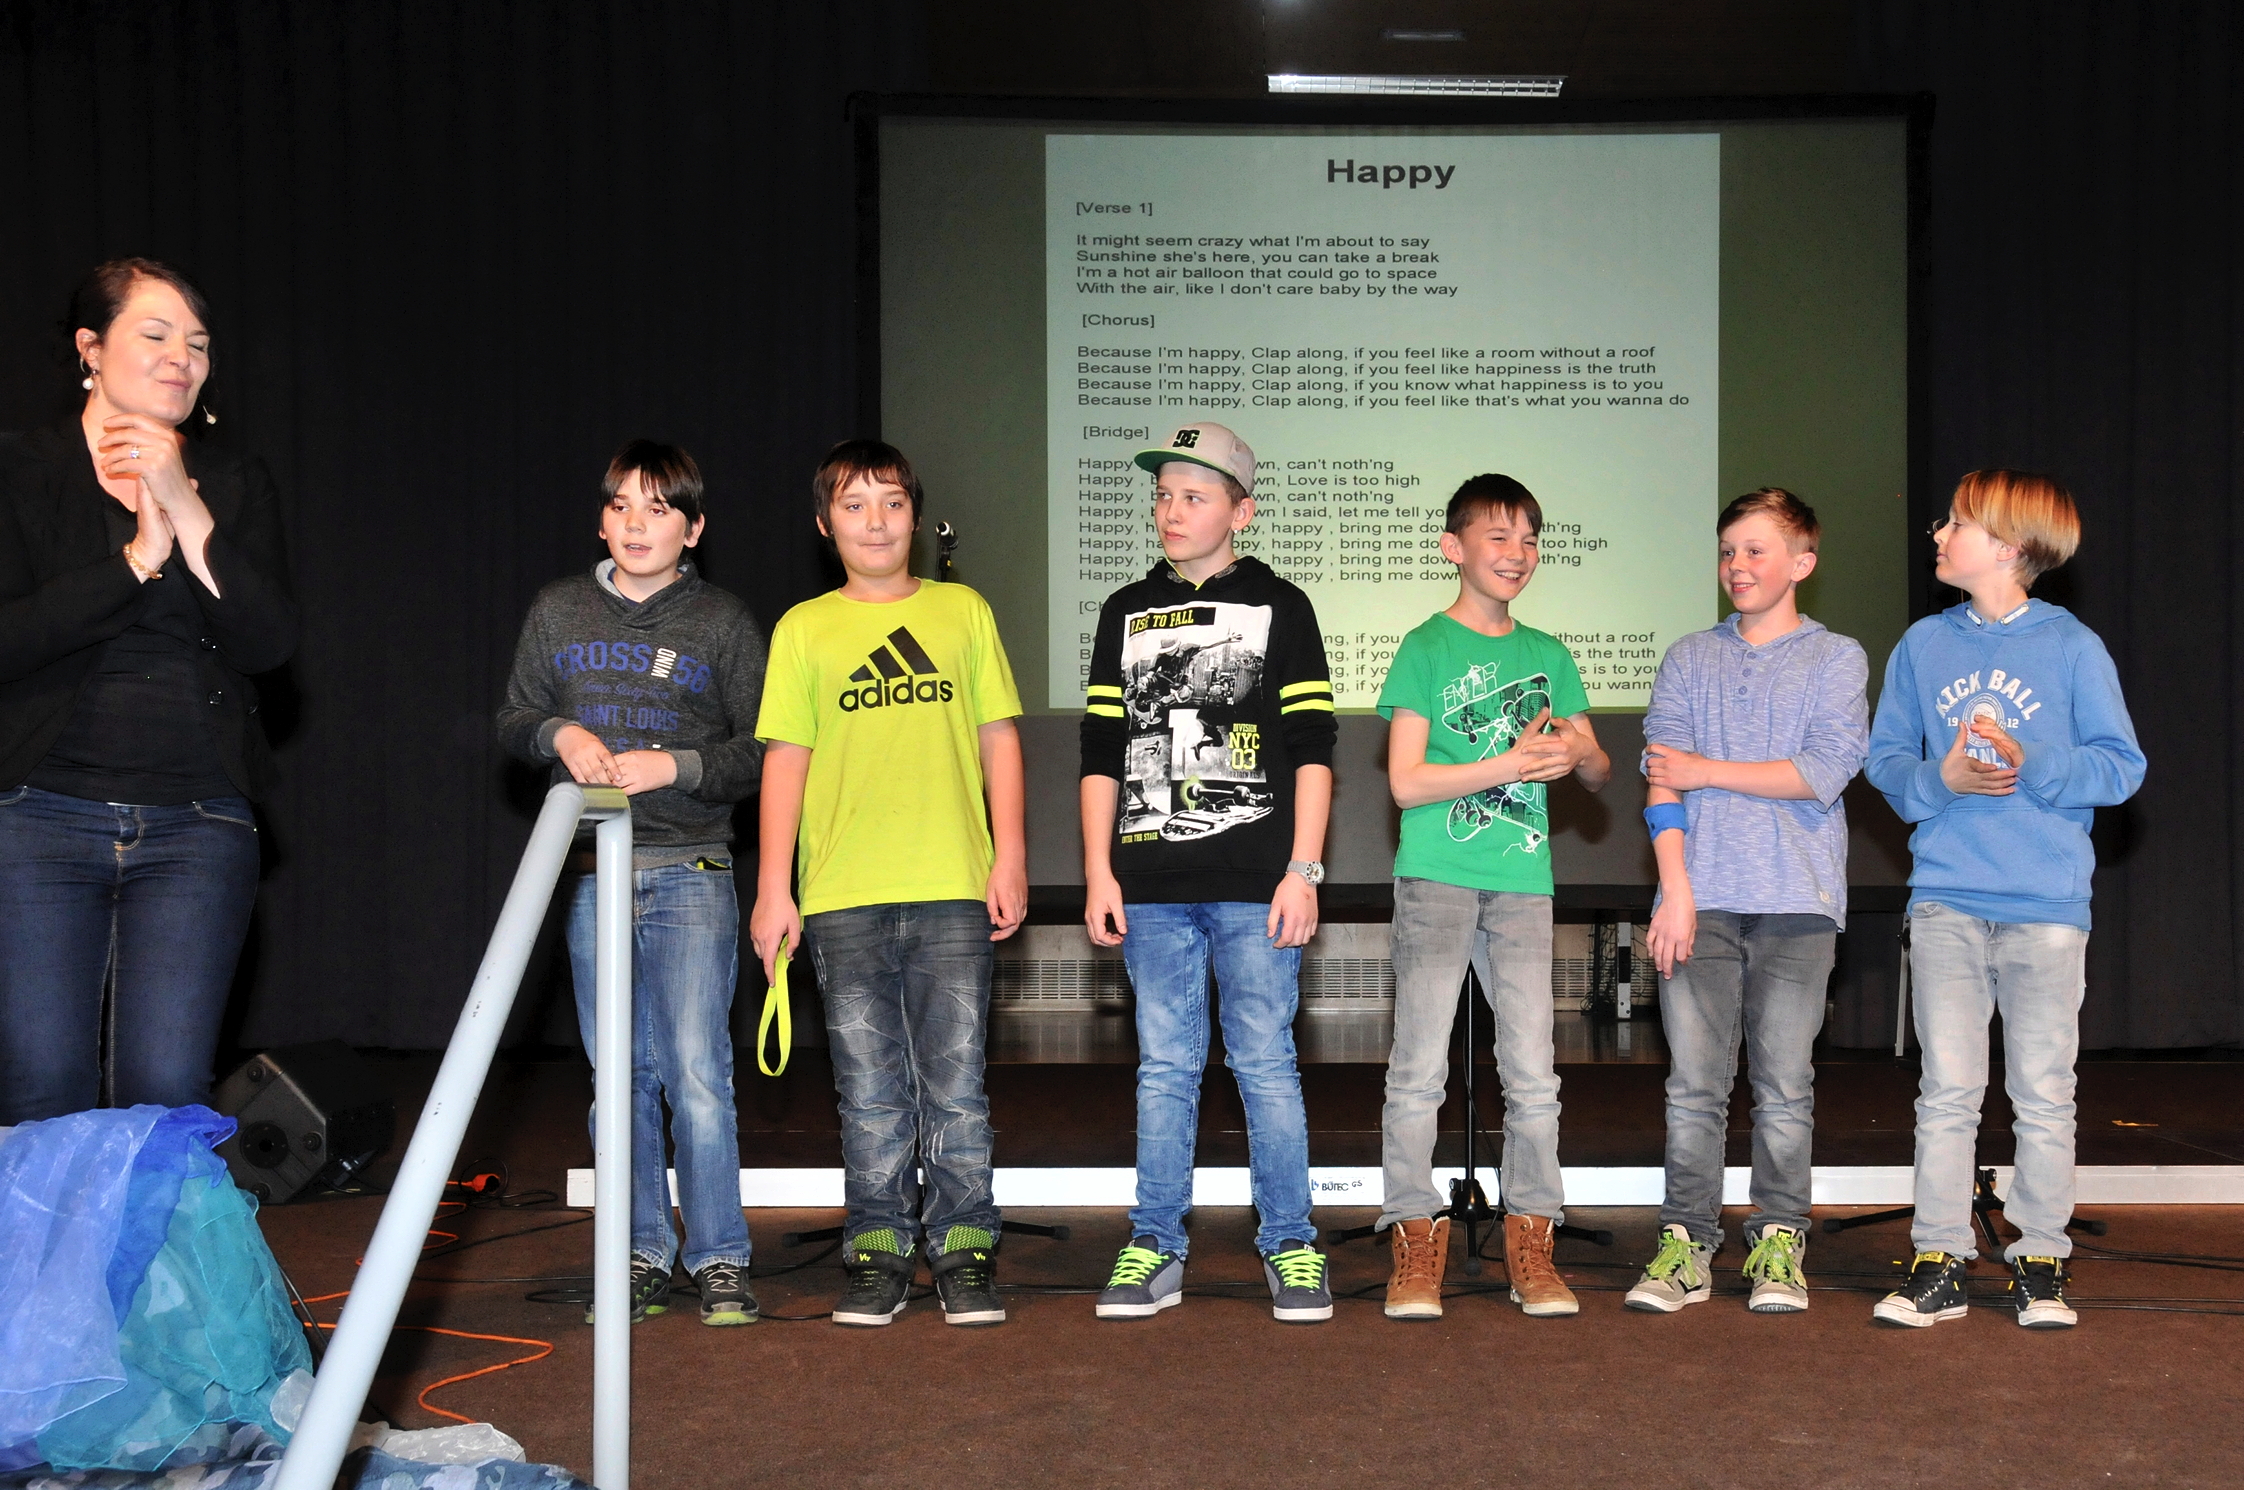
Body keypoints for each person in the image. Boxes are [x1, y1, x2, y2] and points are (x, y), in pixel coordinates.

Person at [0, 258, 297, 1123]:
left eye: (198, 345)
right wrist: (134, 562)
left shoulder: (235, 484)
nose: (182, 359)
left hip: (197, 823)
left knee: (166, 1090)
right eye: (157, 335)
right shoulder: (18, 470)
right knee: (42, 1084)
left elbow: (269, 641)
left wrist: (182, 504)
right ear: (91, 350)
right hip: (38, 816)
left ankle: (149, 1226)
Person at [750, 439, 1026, 1328]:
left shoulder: (962, 611)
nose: (876, 522)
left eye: (893, 502)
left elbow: (998, 740)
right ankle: (877, 1251)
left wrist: (1011, 856)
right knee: (869, 1092)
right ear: (824, 524)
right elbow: (785, 762)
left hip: (951, 886)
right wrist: (774, 887)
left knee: (956, 1086)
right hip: (841, 896)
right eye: (855, 505)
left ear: (917, 515)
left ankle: (965, 1250)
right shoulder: (803, 628)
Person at [1865, 470, 2144, 1330]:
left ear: (2010, 546)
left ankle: (2042, 1260)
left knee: (2044, 1093)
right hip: (1947, 898)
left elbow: (2121, 767)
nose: (1938, 533)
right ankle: (1939, 1258)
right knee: (1947, 1091)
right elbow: (1885, 762)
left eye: (1957, 522)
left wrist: (2036, 760)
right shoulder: (1922, 645)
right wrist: (1941, 779)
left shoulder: (2072, 647)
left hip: (2045, 906)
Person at [498, 440, 767, 1326]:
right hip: (591, 877)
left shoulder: (724, 621)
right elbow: (514, 717)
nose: (636, 525)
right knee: (619, 1077)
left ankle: (720, 1256)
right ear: (601, 519)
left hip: (691, 871)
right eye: (621, 507)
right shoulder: (557, 609)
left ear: (694, 528)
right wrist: (559, 736)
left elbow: (762, 751)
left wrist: (675, 766)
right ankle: (640, 1253)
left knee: (698, 1074)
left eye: (658, 509)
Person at [1079, 421, 1339, 1324]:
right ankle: (1154, 1243)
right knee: (1164, 1066)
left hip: (1256, 882)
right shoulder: (1123, 610)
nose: (1172, 510)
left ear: (1242, 511)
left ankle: (1291, 1241)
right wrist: (1099, 871)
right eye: (1163, 495)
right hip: (1149, 887)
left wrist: (1303, 870)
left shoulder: (1282, 606)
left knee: (1265, 1063)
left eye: (1194, 495)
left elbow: (1313, 748)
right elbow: (1101, 751)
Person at [1622, 489, 1868, 1315]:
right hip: (1701, 900)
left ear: (1802, 562)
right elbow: (1663, 780)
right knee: (1694, 1087)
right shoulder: (1690, 657)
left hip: (1799, 903)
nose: (1737, 565)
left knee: (1784, 1087)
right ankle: (1685, 1244)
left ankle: (1778, 1241)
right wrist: (1675, 890)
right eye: (1728, 550)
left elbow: (1821, 771)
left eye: (1756, 550)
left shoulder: (1836, 658)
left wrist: (1706, 770)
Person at [1375, 474, 1610, 1320]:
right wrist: (1510, 763)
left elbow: (1597, 767)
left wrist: (1574, 756)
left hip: (1521, 885)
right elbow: (1406, 782)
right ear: (1455, 547)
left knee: (1534, 1075)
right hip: (1437, 876)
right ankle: (1413, 1240)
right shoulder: (1425, 646)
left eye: (1530, 540)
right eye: (1499, 537)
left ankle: (1533, 1243)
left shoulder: (1549, 654)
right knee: (1418, 1073)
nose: (1518, 554)